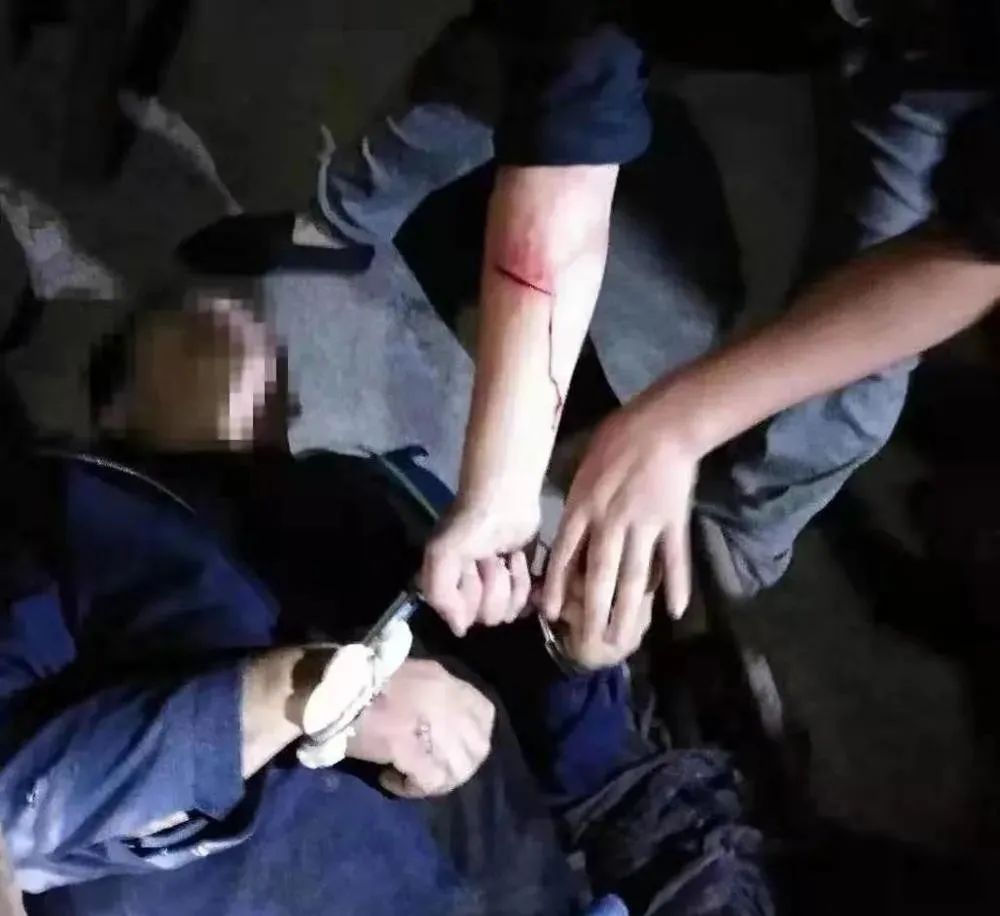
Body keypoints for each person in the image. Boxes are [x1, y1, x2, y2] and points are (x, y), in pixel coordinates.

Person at [182, 2, 1000, 669]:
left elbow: (972, 257)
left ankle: (731, 546)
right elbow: (562, 165)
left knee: (870, 313)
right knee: (511, 58)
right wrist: (500, 493)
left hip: (962, 73)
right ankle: (338, 229)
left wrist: (681, 423)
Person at [0, 292, 771, 915]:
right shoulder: (55, 516)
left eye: (276, 368)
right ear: (112, 405)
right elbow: (17, 803)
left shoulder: (351, 494)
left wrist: (572, 656)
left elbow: (580, 762)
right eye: (202, 321)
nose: (250, 339)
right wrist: (302, 697)